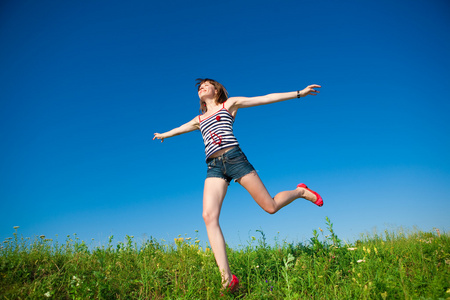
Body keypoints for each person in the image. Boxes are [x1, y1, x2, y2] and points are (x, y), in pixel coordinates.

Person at [153, 78, 323, 293]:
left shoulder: (229, 105)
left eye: (206, 84)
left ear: (217, 91)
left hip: (235, 158)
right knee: (208, 216)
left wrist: (299, 93)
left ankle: (300, 191)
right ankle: (228, 279)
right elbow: (180, 128)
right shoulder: (199, 119)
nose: (201, 87)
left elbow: (265, 98)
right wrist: (164, 135)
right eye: (199, 87)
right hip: (213, 166)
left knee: (270, 207)